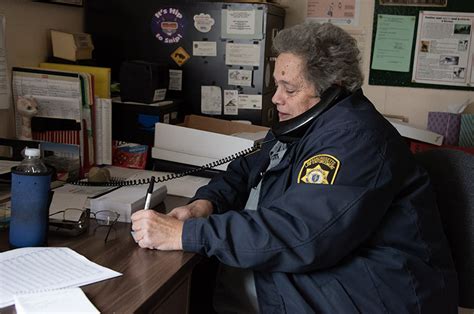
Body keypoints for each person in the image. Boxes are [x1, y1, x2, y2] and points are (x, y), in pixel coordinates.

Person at [131, 22, 458, 313]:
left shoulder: (356, 141)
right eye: (277, 86)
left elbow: (301, 233)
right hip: (320, 282)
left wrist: (185, 234)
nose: (276, 99)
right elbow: (245, 170)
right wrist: (206, 204)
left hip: (368, 295)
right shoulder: (305, 126)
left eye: (289, 89)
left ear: (333, 90)